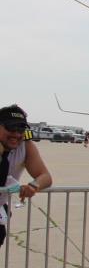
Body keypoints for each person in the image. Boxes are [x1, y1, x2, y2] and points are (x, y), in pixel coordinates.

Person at [0, 105, 53, 249]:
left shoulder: (25, 146)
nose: (16, 134)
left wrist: (34, 185)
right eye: (11, 128)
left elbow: (45, 176)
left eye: (21, 129)